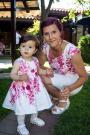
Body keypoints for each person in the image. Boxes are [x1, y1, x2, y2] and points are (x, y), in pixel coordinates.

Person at [2, 34, 52, 135]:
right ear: (19, 47)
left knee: (36, 102)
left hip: (35, 87)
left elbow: (38, 71)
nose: (26, 49)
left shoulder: (35, 60)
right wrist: (20, 77)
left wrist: (46, 72)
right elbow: (12, 74)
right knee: (22, 106)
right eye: (23, 46)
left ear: (35, 50)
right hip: (22, 89)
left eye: (30, 47)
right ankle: (21, 125)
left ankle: (34, 118)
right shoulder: (18, 62)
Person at [38, 17, 88, 115]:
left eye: (54, 32)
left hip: (73, 83)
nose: (50, 37)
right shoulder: (46, 47)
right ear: (43, 36)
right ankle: (58, 96)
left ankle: (63, 100)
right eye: (46, 34)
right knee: (37, 75)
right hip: (57, 78)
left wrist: (70, 88)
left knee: (42, 78)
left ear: (60, 32)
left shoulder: (72, 51)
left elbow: (84, 77)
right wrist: (45, 69)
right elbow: (38, 65)